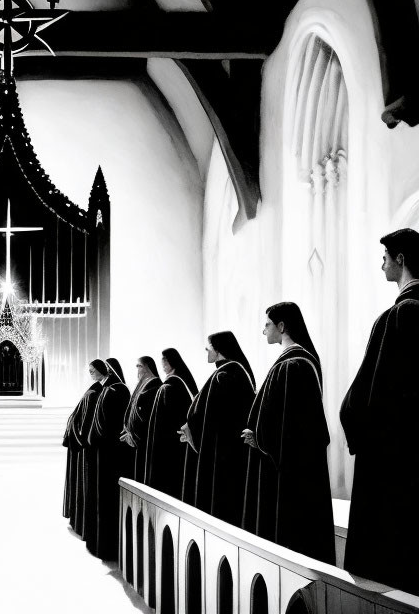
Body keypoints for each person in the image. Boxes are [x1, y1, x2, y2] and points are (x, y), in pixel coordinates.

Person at [340, 229, 419, 593]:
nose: (381, 264)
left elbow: (368, 397)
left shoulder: (398, 315)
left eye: (385, 257)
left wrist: (354, 423)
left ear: (400, 259)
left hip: (391, 459)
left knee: (387, 577)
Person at [241, 302, 335, 563]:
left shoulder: (295, 365)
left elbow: (294, 428)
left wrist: (260, 439)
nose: (264, 331)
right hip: (287, 468)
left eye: (268, 325)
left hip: (292, 477)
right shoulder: (293, 362)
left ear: (282, 326)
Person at [179, 331, 255, 525]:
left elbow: (214, 418)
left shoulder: (226, 375)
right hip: (224, 454)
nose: (206, 350)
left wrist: (192, 428)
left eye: (208, 347)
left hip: (222, 457)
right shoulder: (230, 372)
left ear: (218, 349)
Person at [85, 358, 132, 560]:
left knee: (107, 497)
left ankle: (108, 547)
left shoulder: (116, 390)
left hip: (110, 453)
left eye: (93, 370)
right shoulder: (105, 390)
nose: (91, 373)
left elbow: (110, 423)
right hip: (101, 451)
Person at [144, 348, 198, 500]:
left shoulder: (173, 385)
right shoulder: (173, 383)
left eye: (164, 359)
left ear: (171, 362)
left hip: (170, 445)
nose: (162, 363)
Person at [64, 361, 106, 538]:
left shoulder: (101, 391)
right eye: (89, 371)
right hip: (81, 439)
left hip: (87, 442)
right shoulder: (96, 388)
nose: (91, 374)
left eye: (93, 371)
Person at [120, 356, 162, 482]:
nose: (137, 369)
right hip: (136, 441)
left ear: (148, 367)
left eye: (140, 366)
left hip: (144, 441)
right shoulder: (144, 383)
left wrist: (133, 435)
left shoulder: (154, 385)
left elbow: (145, 416)